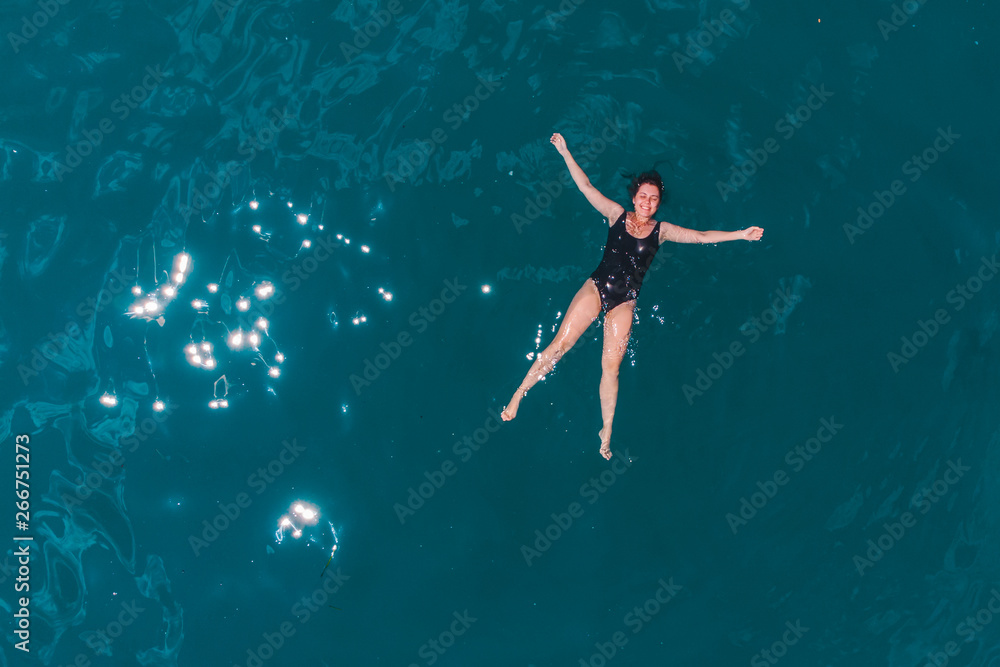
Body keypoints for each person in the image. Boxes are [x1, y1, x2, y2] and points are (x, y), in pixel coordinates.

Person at [501, 132, 764, 460]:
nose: (647, 203)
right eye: (643, 196)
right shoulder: (615, 215)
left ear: (657, 203)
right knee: (560, 344)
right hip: (596, 287)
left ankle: (606, 428)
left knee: (610, 368)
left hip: (624, 301)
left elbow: (700, 237)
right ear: (635, 196)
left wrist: (740, 234)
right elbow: (585, 187)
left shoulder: (662, 231)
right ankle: (518, 394)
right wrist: (566, 152)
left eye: (653, 199)